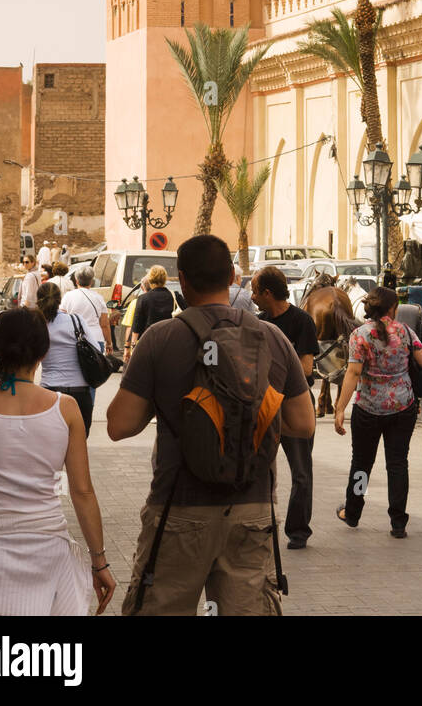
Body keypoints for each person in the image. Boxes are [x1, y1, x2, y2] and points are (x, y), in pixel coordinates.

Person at [107, 234, 314, 616]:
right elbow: (303, 423)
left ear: (182, 280)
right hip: (252, 510)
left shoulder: (160, 338)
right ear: (233, 276)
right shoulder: (272, 337)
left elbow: (119, 425)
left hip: (178, 509)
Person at [0, 308, 115, 615]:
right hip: (48, 554)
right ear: (44, 352)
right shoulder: (66, 409)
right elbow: (82, 492)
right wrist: (100, 562)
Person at [334, 286, 422, 538]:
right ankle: (398, 522)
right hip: (402, 407)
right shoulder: (405, 331)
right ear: (392, 308)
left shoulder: (360, 335)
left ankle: (353, 512)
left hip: (368, 408)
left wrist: (340, 408)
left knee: (361, 465)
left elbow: (353, 373)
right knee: (398, 465)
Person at [251, 266, 319, 550]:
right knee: (255, 469)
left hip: (293, 404)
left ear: (267, 293)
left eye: (255, 291)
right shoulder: (256, 323)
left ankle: (298, 530)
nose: (252, 296)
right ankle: (257, 524)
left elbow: (305, 367)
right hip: (263, 405)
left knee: (301, 472)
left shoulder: (302, 321)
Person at [37, 282, 96, 436]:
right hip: (80, 392)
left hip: (49, 391)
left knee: (49, 446)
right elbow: (95, 348)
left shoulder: (37, 324)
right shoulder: (76, 321)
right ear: (59, 300)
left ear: (38, 300)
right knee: (78, 445)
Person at [60, 267, 113, 358]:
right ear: (91, 282)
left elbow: (61, 319)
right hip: (96, 339)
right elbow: (104, 324)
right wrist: (109, 343)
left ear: (76, 281)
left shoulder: (68, 297)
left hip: (74, 339)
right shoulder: (98, 298)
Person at [130, 266, 175, 347]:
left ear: (150, 280)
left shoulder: (143, 299)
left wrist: (132, 346)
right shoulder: (175, 296)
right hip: (170, 342)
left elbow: (137, 325)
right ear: (165, 279)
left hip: (149, 342)